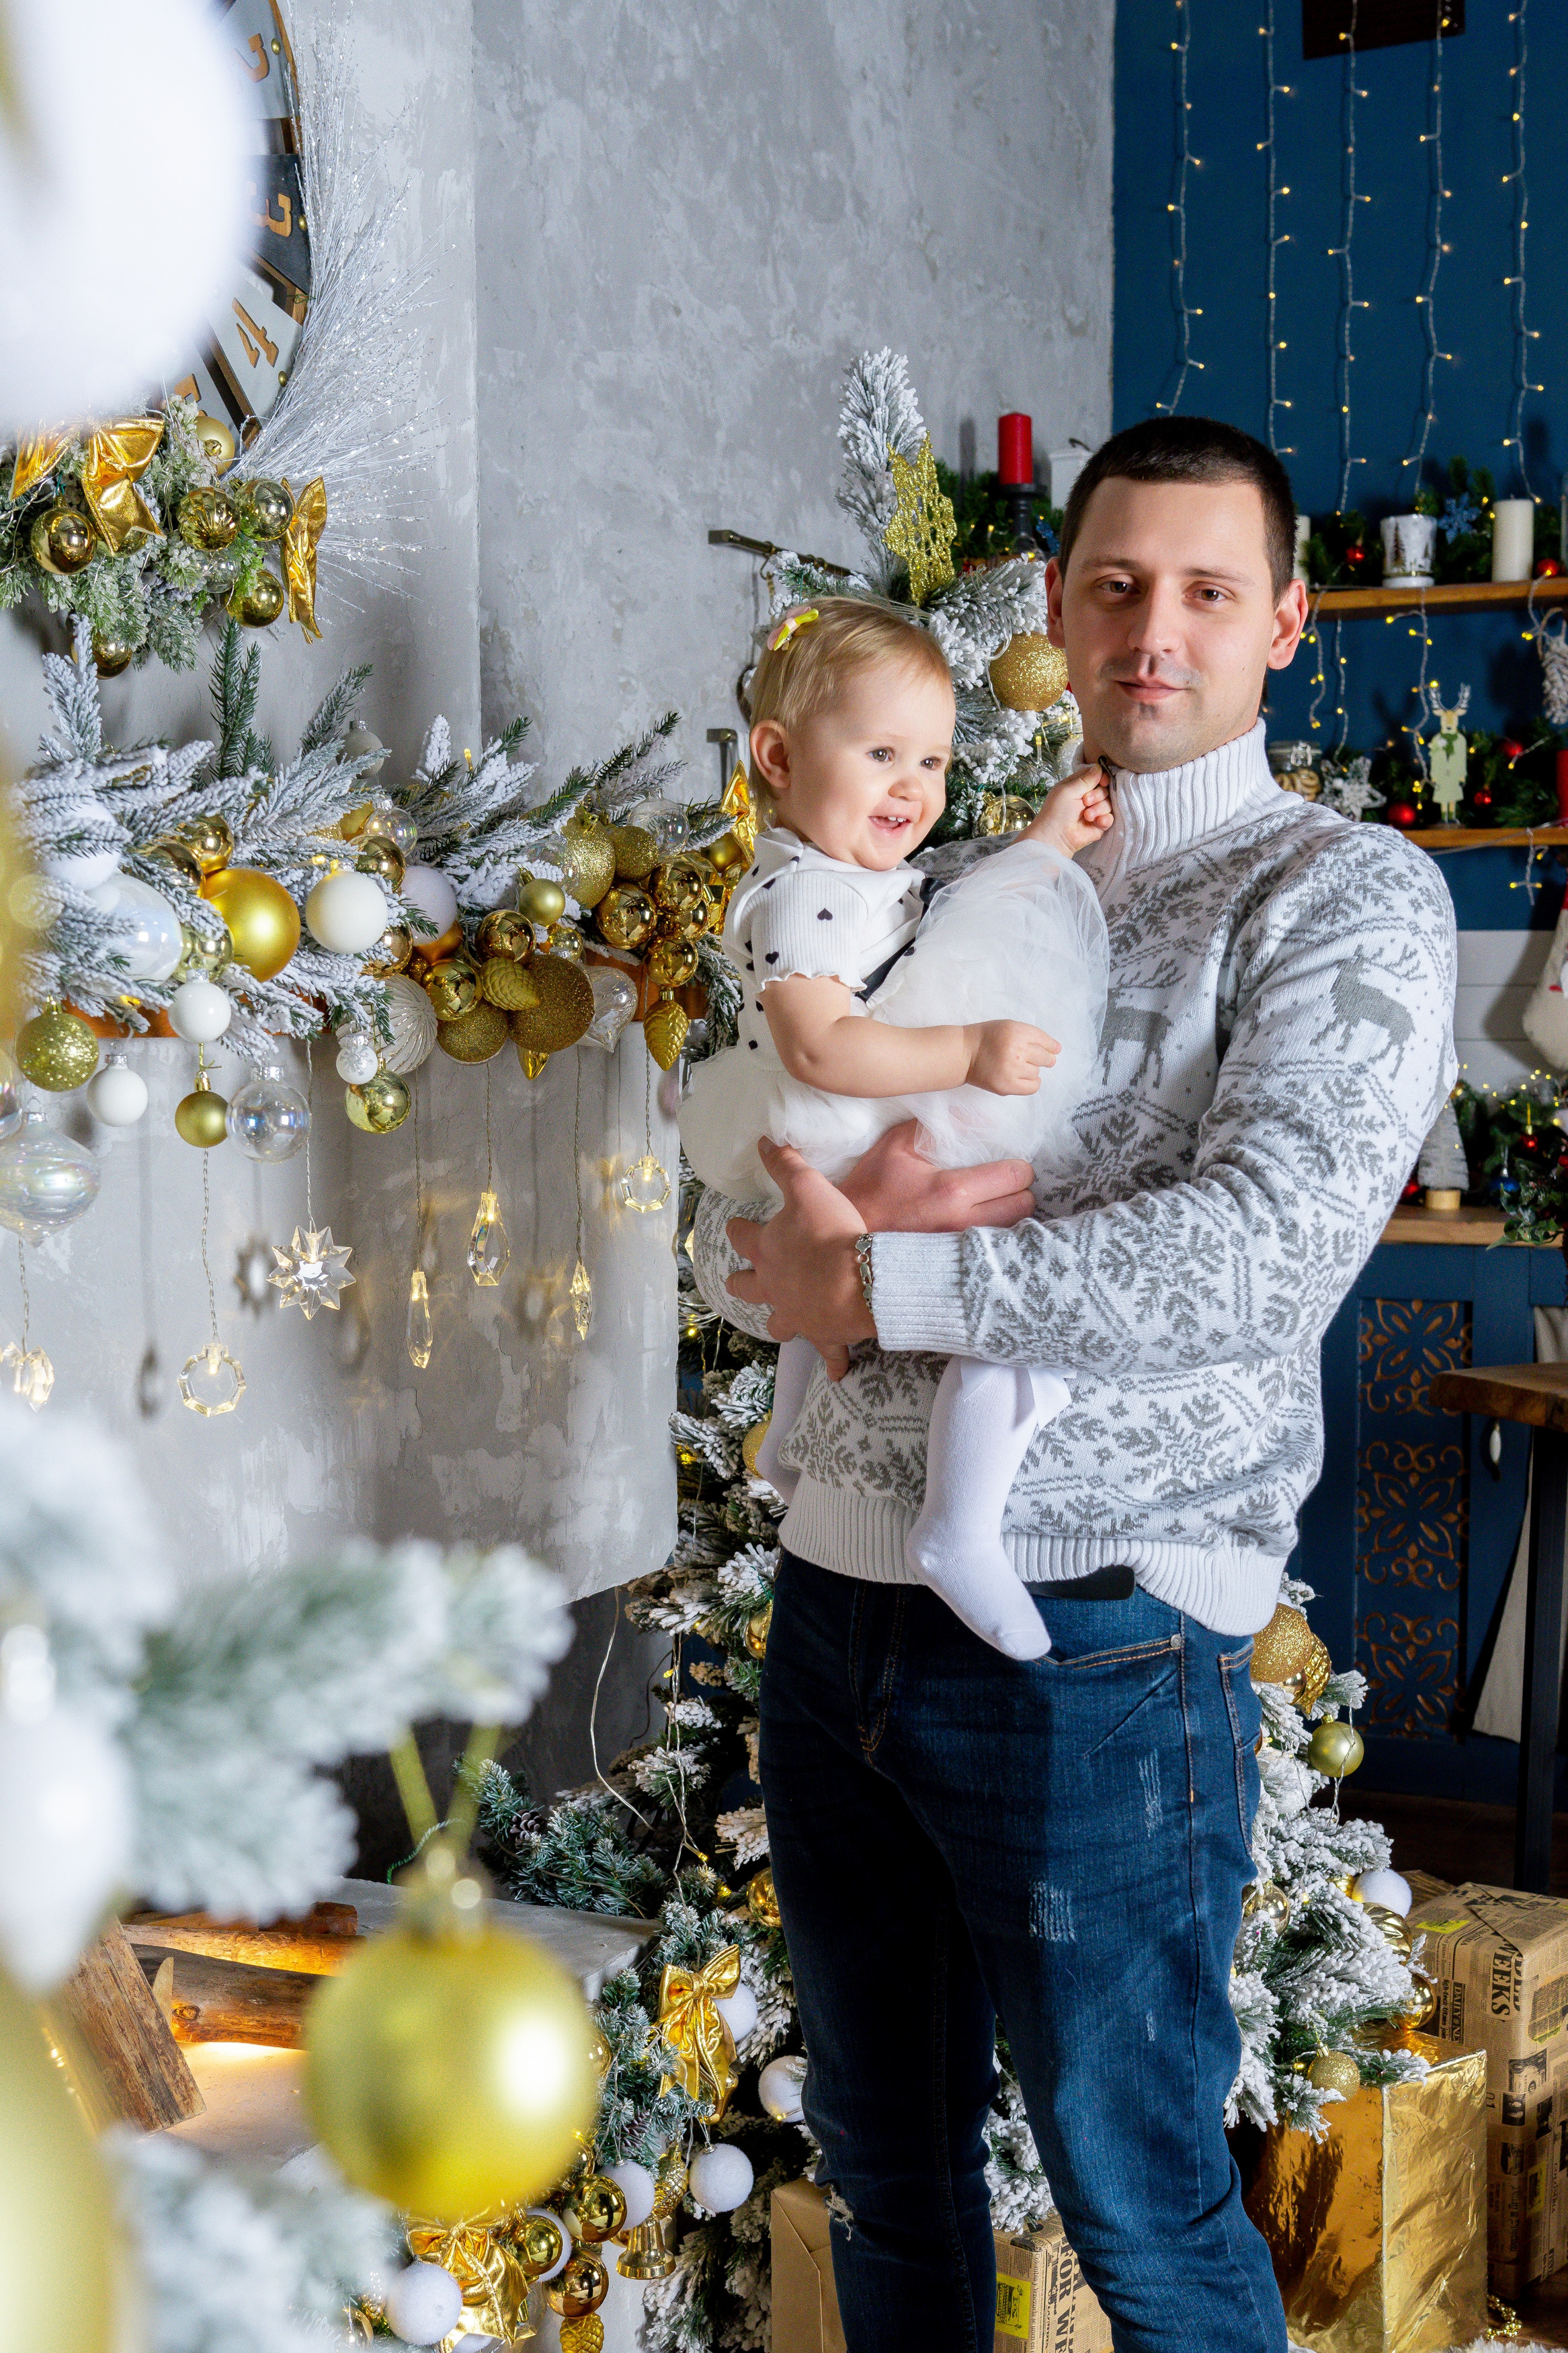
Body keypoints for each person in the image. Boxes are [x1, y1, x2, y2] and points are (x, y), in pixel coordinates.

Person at [688, 415, 1458, 2353]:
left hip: (1098, 1640)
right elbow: (762, 1162)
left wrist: (880, 1274)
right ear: (1054, 603)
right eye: (1114, 585)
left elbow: (1262, 1247)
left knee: (1137, 2203)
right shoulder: (939, 873)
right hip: (837, 1606)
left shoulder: (1341, 893)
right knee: (882, 2173)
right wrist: (790, 1242)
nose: (1150, 630)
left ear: (1287, 619)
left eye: (1205, 590)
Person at [679, 596, 1112, 1661]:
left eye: (932, 760)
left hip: (826, 1134)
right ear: (777, 757)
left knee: (835, 1276)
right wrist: (966, 1053)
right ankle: (959, 1526)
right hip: (834, 1116)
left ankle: (787, 1442)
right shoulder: (805, 897)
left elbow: (946, 938)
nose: (914, 786)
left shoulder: (843, 879)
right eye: (880, 753)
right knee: (1015, 1310)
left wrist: (1048, 839)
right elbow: (823, 1047)